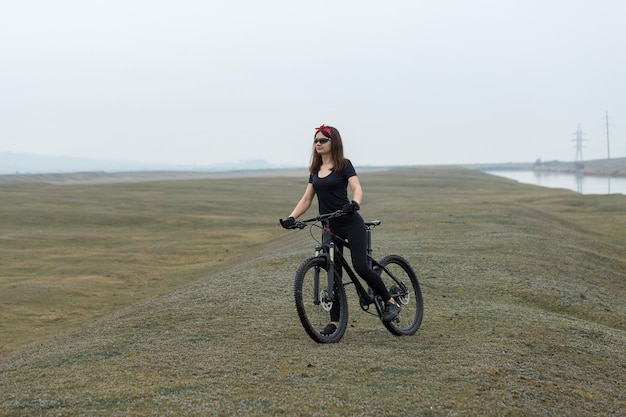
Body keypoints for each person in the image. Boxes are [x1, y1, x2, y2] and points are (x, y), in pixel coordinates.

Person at [280, 124, 400, 335]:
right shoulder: (315, 171)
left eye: (322, 140)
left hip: (350, 222)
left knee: (361, 266)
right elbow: (307, 199)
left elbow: (357, 188)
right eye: (315, 140)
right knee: (333, 272)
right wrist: (291, 217)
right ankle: (335, 323)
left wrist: (355, 202)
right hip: (329, 226)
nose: (317, 144)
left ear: (333, 142)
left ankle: (390, 301)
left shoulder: (344, 165)